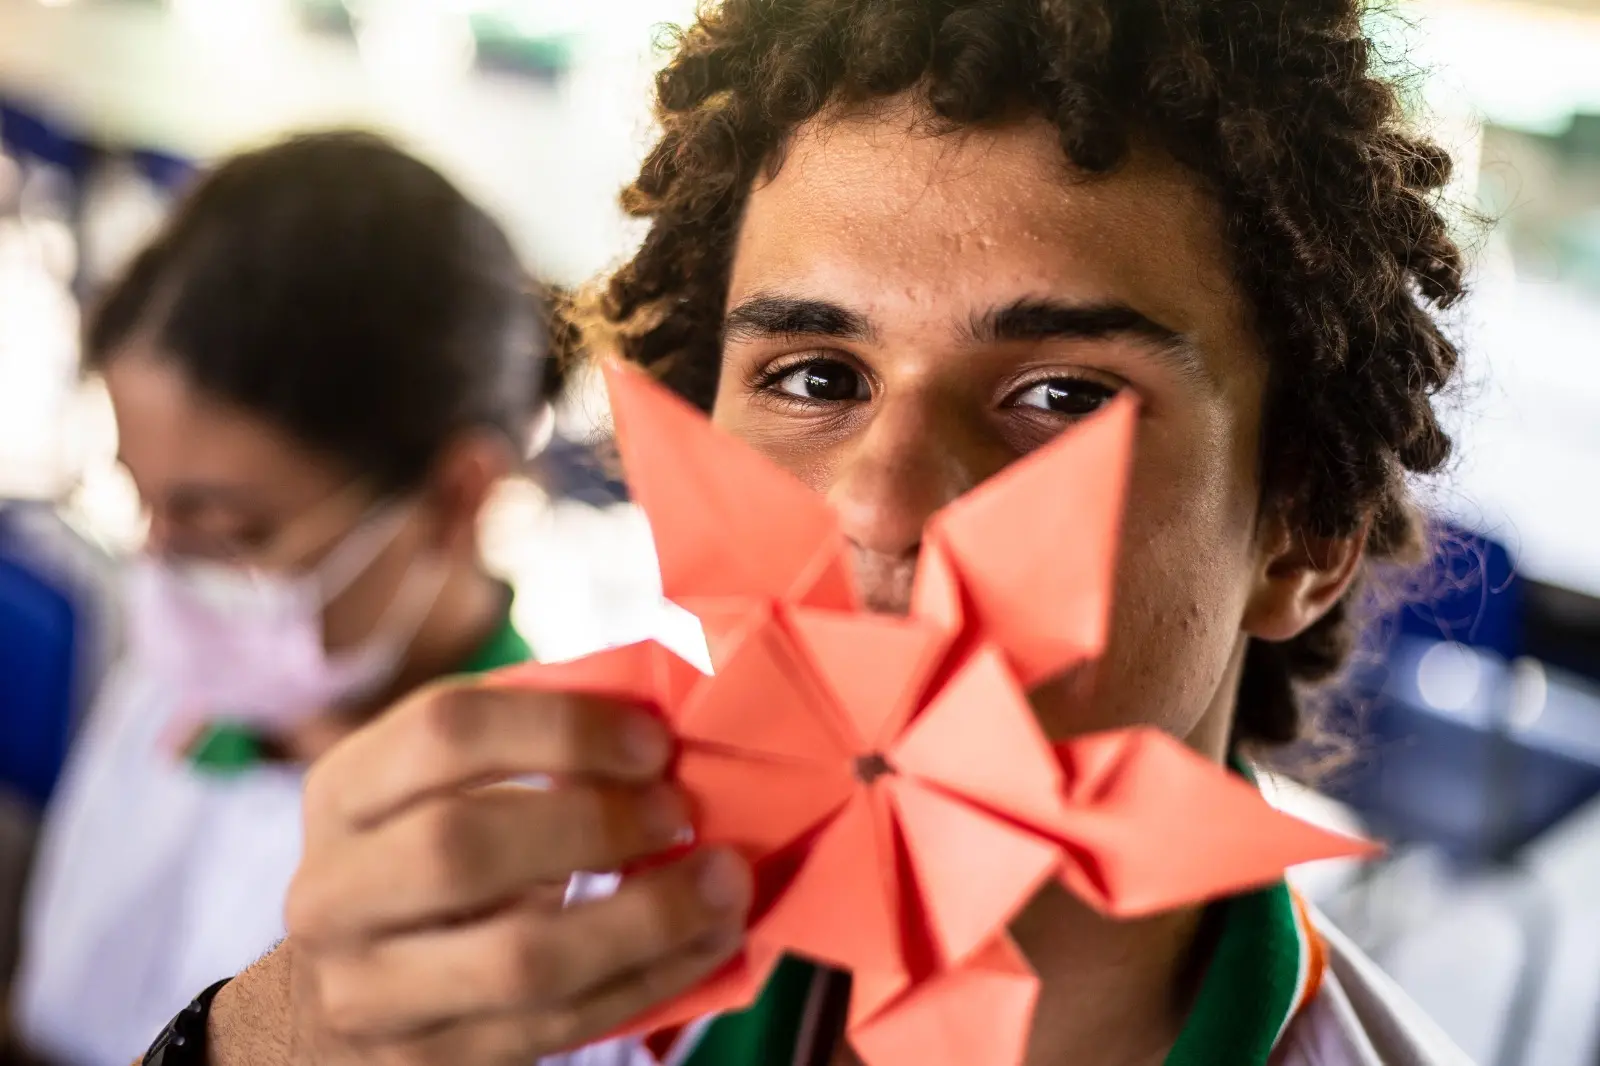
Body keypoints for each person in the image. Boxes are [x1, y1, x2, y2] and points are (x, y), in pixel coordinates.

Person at [158, 1, 1476, 1064]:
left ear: (1302, 530)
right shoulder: (503, 978)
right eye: (813, 376)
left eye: (1061, 394)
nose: (882, 504)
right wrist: (261, 1041)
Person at [7, 132, 552, 1066]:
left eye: (232, 533)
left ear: (455, 497)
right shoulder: (174, 695)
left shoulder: (529, 855)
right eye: (145, 506)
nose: (168, 573)